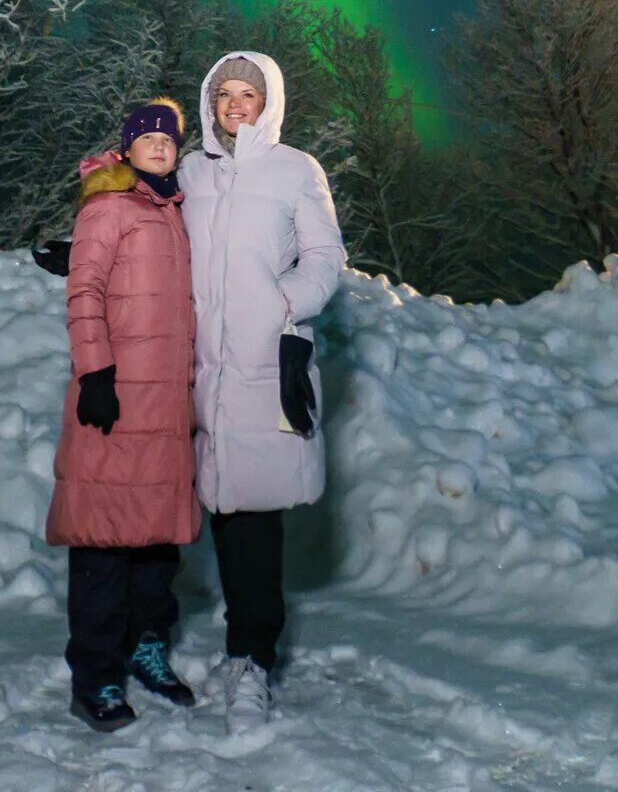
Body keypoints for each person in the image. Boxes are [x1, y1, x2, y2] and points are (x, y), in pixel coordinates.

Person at [181, 51, 346, 730]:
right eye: (225, 93)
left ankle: (253, 662)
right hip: (199, 371)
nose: (235, 104)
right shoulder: (192, 170)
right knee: (221, 508)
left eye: (249, 93)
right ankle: (236, 639)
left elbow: (325, 258)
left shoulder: (295, 169)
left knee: (257, 521)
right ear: (210, 103)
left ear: (269, 101)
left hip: (263, 367)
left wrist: (285, 305)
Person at [44, 99, 202, 735]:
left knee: (155, 547)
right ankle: (96, 675)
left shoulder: (174, 213)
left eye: (169, 138)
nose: (160, 145)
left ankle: (146, 649)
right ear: (128, 146)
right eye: (149, 137)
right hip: (115, 399)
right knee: (105, 543)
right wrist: (96, 372)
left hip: (165, 404)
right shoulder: (107, 205)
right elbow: (83, 291)